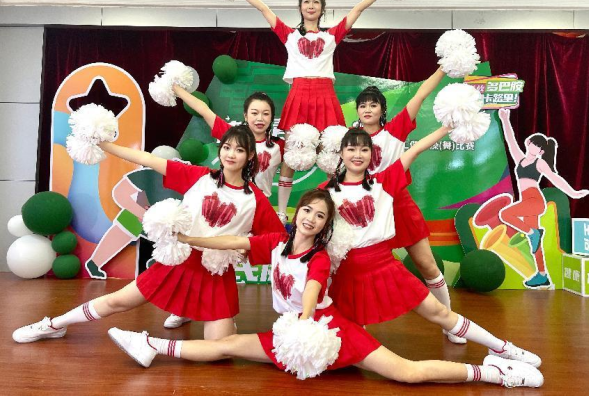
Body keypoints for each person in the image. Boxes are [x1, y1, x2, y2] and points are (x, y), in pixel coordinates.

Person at [108, 189, 543, 388]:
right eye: (308, 211)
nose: (311, 219)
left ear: (324, 226)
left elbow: (313, 293)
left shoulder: (317, 258)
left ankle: (495, 373)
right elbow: (231, 242)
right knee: (228, 346)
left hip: (328, 330)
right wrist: (188, 238)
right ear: (297, 213)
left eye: (320, 216)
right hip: (291, 334)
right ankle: (150, 345)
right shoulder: (274, 243)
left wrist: (304, 322)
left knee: (406, 373)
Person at [13, 125, 285, 344]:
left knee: (220, 348)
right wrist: (103, 145)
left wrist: (242, 246)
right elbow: (148, 159)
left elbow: (279, 240)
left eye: (239, 149)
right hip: (178, 260)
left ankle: (191, 320)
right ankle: (54, 324)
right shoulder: (200, 176)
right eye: (226, 147)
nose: (231, 154)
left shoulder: (255, 200)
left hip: (215, 273)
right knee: (118, 301)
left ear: (250, 156)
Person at [322, 129, 542, 368]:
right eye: (351, 149)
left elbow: (416, 149)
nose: (357, 154)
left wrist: (447, 127)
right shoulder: (325, 191)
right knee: (349, 337)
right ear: (341, 153)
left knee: (440, 313)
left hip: (384, 267)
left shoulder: (385, 180)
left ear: (371, 154)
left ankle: (502, 347)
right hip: (347, 274)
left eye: (364, 149)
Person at [236, 0, 391, 223]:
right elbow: (264, 9)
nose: (311, 5)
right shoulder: (289, 35)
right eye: (306, 1)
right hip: (299, 94)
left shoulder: (331, 36)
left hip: (325, 94)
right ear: (300, 7)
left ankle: (338, 209)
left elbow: (358, 9)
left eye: (316, 2)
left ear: (322, 8)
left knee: (332, 155)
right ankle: (281, 212)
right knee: (292, 153)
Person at [354, 70, 464, 343]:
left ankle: (450, 323)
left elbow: (421, 94)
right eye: (362, 105)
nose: (367, 109)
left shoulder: (395, 130)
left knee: (427, 265)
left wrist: (443, 68)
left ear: (382, 110)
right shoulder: (349, 139)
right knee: (359, 270)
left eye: (373, 105)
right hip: (366, 210)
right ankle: (358, 327)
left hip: (399, 205)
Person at [498, 108, 589, 288]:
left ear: (540, 151)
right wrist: (504, 119)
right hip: (526, 200)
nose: (535, 147)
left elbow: (555, 177)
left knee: (505, 214)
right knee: (535, 244)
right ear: (529, 143)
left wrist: (573, 192)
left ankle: (533, 233)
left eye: (539, 147)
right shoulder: (520, 159)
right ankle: (542, 274)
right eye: (534, 144)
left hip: (535, 200)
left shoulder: (539, 163)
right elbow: (511, 141)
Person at [173, 86, 284, 203]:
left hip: (260, 204)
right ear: (246, 116)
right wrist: (176, 88)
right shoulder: (231, 135)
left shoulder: (280, 146)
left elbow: (288, 175)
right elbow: (203, 109)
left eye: (265, 114)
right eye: (254, 113)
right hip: (227, 201)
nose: (260, 118)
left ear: (271, 117)